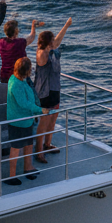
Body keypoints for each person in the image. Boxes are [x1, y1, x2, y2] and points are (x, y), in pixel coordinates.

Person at [35, 18, 71, 157]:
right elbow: (53, 45)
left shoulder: (52, 51)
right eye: (51, 40)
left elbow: (57, 42)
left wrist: (66, 26)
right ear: (47, 42)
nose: (54, 43)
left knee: (53, 119)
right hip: (45, 92)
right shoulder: (42, 53)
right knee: (43, 122)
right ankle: (39, 151)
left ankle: (47, 144)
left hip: (55, 90)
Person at [5, 57, 42, 185]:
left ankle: (28, 167)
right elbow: (23, 103)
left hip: (27, 120)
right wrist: (39, 110)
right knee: (16, 148)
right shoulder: (15, 84)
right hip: (17, 121)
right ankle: (12, 176)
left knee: (28, 144)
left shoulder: (21, 80)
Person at [0, 18, 40, 84]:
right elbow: (31, 37)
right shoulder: (19, 43)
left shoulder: (1, 42)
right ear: (16, 31)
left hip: (4, 75)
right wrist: (33, 26)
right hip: (17, 76)